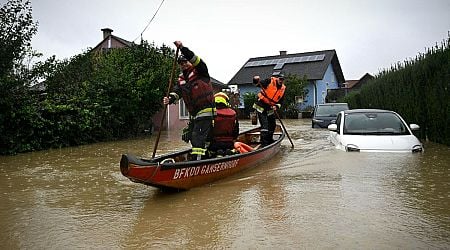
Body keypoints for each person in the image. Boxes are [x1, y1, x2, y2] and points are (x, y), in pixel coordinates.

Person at [163, 41, 216, 160]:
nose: (183, 65)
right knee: (194, 137)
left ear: (190, 62)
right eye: (181, 63)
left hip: (206, 111)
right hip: (195, 114)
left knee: (197, 137)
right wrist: (169, 99)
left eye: (185, 62)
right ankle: (206, 156)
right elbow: (177, 92)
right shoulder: (181, 79)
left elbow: (194, 58)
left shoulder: (201, 70)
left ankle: (197, 163)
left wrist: (182, 48)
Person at [252, 71, 286, 147]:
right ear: (277, 78)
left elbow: (281, 101)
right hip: (261, 105)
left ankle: (270, 139)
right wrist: (255, 79)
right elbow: (257, 84)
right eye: (280, 79)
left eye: (282, 79)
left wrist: (276, 106)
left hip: (270, 107)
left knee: (273, 124)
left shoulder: (283, 89)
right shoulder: (269, 81)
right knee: (265, 125)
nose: (281, 81)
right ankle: (264, 143)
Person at [209, 92, 239, 157]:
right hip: (229, 143)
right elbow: (236, 131)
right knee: (230, 150)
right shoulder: (233, 113)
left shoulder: (211, 113)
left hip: (215, 144)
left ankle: (216, 154)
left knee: (212, 151)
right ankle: (229, 152)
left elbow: (208, 131)